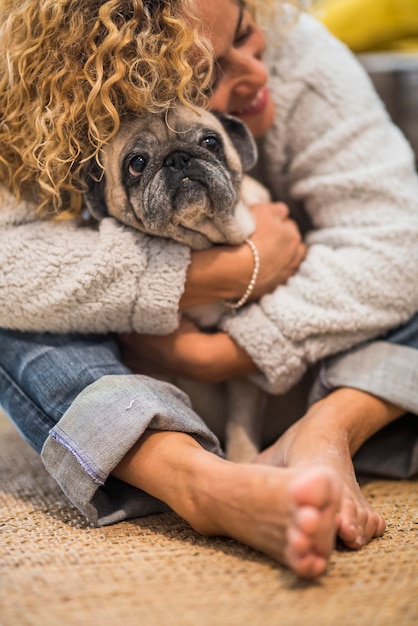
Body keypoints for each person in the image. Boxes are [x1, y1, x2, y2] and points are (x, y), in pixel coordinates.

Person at [0, 0, 418, 579]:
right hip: (139, 377)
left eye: (246, 33)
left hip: (319, 368)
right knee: (18, 323)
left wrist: (228, 351)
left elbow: (398, 242)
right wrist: (208, 277)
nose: (256, 73)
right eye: (207, 74)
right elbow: (7, 269)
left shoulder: (301, 54)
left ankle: (328, 431)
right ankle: (198, 481)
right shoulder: (40, 120)